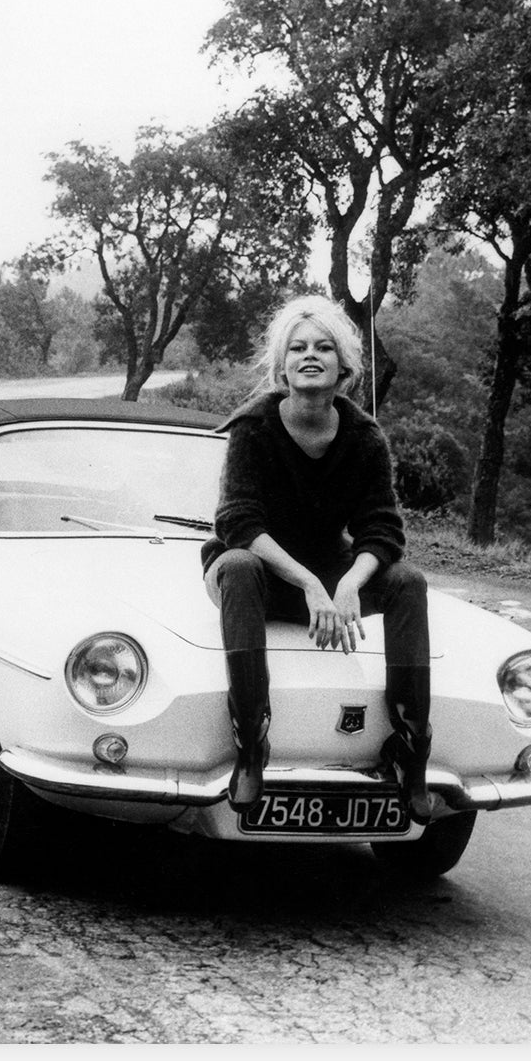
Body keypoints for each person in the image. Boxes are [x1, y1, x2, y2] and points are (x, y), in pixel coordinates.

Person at [201, 295, 434, 822]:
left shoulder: (365, 438)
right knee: (237, 566)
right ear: (282, 365)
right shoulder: (252, 429)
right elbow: (239, 525)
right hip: (258, 571)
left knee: (408, 581)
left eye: (324, 347)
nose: (311, 356)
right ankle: (251, 743)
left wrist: (349, 584)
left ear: (344, 366)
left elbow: (383, 529)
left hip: (332, 575)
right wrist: (310, 584)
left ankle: (409, 746)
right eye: (298, 347)